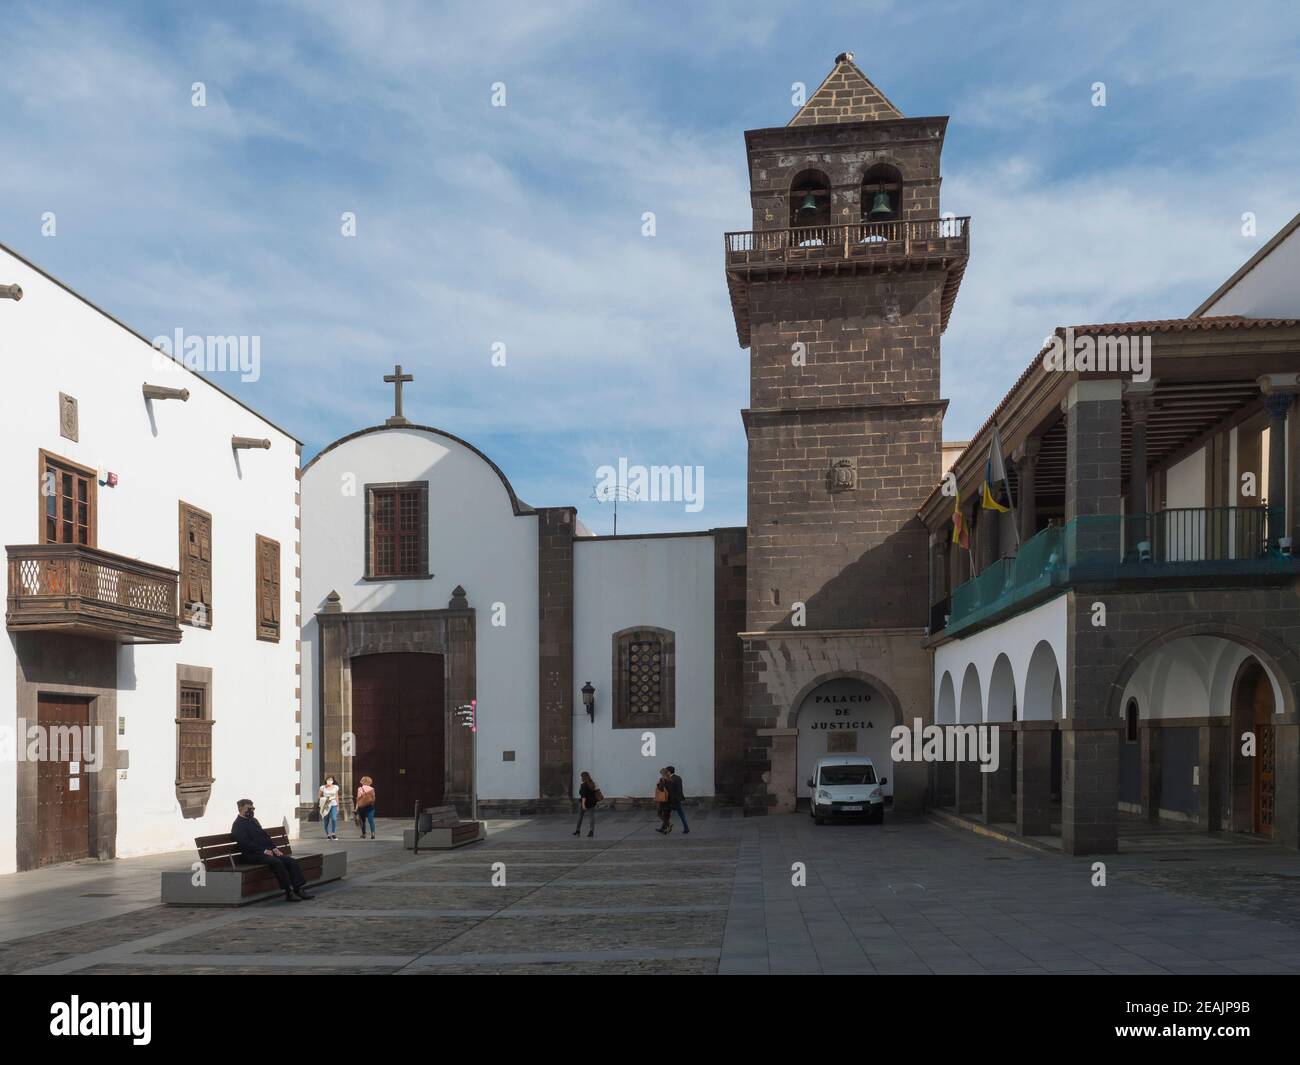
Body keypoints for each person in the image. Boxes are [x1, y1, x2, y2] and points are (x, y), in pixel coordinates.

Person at [231, 799, 313, 902]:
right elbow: (245, 844)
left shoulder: (254, 821)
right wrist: (263, 851)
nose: (252, 811)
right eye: (249, 808)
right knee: (277, 862)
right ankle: (288, 892)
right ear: (241, 809)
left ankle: (298, 889)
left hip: (266, 853)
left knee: (290, 861)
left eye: (253, 808)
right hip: (252, 855)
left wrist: (274, 848)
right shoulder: (238, 824)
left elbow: (265, 836)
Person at [667, 765, 690, 834]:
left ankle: (665, 828)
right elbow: (680, 789)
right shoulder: (678, 777)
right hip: (677, 799)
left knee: (667, 814)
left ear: (669, 772)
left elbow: (671, 791)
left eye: (666, 771)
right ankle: (686, 828)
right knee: (681, 814)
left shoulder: (671, 779)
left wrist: (672, 799)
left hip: (673, 800)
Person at [318, 775, 340, 840]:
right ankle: (328, 834)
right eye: (328, 780)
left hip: (333, 804)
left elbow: (336, 796)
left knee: (334, 818)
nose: (329, 781)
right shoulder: (322, 787)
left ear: (333, 781)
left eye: (331, 780)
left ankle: (333, 833)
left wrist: (338, 805)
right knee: (326, 820)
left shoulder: (335, 787)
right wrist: (326, 798)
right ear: (326, 780)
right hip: (326, 805)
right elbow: (318, 796)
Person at [654, 768, 673, 834]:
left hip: (663, 800)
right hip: (670, 799)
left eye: (661, 773)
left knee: (659, 814)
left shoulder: (662, 780)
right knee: (666, 815)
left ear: (663, 774)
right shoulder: (671, 780)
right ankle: (663, 829)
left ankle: (669, 824)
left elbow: (661, 789)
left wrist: (658, 784)